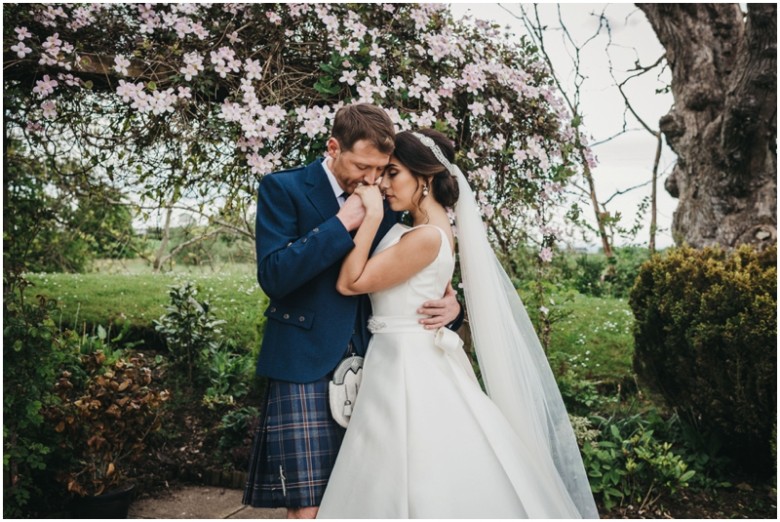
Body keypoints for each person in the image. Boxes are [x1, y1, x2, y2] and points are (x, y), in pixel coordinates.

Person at [317, 129, 599, 518]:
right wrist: (455, 307)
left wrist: (371, 220)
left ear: (426, 178)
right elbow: (431, 289)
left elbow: (351, 282)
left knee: (411, 462)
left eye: (393, 173)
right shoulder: (419, 232)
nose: (382, 183)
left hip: (407, 362)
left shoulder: (426, 237)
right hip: (397, 353)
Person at [242, 105, 463, 519]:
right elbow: (274, 276)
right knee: (307, 507)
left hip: (374, 362)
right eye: (363, 165)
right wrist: (342, 222)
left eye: (381, 169)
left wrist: (453, 307)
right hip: (303, 358)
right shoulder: (283, 188)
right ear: (333, 147)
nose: (371, 178)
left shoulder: (389, 200)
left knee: (367, 498)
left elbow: (415, 266)